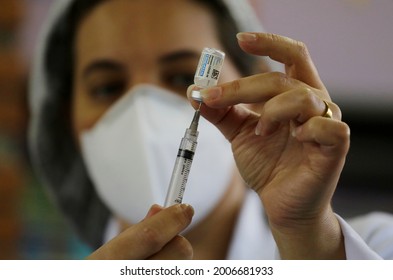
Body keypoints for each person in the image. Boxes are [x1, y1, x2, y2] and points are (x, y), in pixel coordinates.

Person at [28, 0, 393, 260]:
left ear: (256, 89)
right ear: (64, 124)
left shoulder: (371, 248)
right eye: (107, 87)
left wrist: (307, 239)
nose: (142, 116)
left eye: (182, 77)